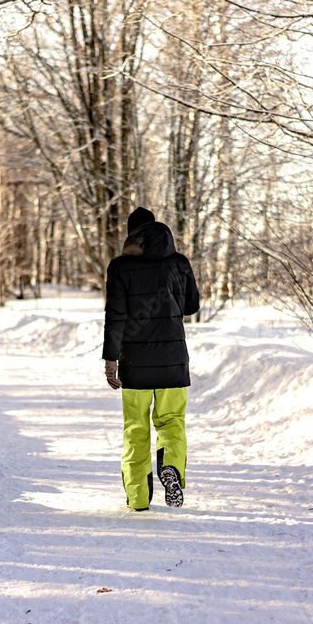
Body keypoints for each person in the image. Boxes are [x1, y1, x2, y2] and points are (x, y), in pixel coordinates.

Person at [102, 207, 200, 511]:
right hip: (173, 362)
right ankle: (170, 466)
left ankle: (138, 498)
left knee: (136, 428)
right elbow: (192, 305)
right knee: (172, 423)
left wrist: (110, 360)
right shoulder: (179, 263)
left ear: (132, 235)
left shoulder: (120, 267)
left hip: (134, 363)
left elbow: (115, 316)